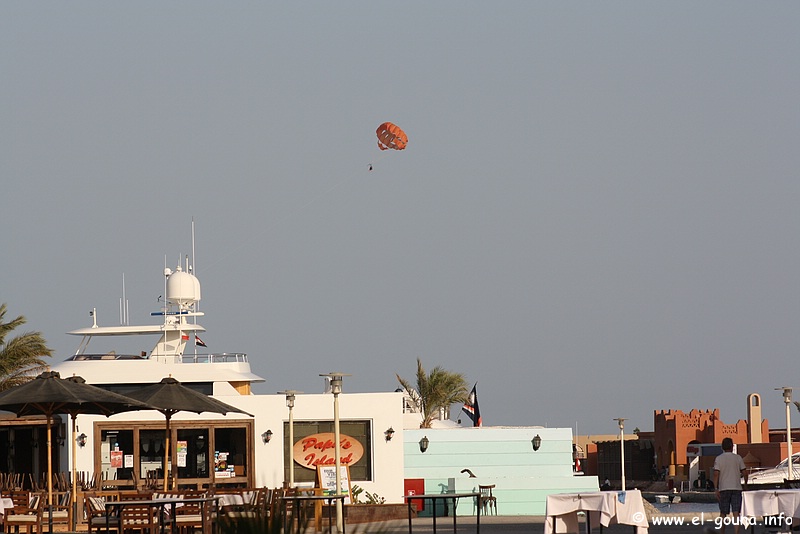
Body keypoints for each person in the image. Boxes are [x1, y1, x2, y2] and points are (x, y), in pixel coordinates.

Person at [713, 437, 747, 534]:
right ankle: (736, 532)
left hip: (724, 488)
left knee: (723, 513)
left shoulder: (719, 459)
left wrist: (716, 488)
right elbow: (745, 473)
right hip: (736, 488)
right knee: (736, 513)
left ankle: (722, 532)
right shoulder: (738, 458)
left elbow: (716, 474)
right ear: (732, 446)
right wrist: (745, 484)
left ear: (722, 447)